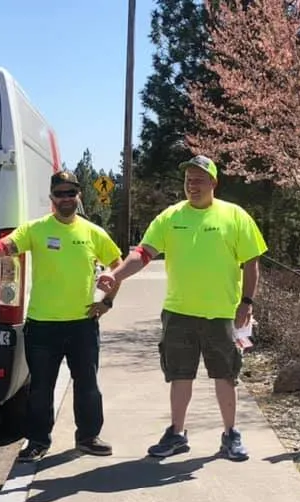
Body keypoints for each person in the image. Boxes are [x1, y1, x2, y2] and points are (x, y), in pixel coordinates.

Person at [96, 154, 267, 461]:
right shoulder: (170, 217)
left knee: (225, 375)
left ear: (213, 182)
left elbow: (251, 263)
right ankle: (177, 433)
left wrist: (247, 301)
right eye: (189, 180)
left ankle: (230, 435)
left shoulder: (235, 216)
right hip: (179, 313)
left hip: (221, 314)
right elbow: (143, 254)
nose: (193, 186)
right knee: (180, 375)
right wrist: (115, 274)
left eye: (199, 180)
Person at [0, 170, 123, 462]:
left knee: (88, 384)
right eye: (60, 194)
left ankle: (89, 437)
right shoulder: (36, 229)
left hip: (82, 325)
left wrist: (107, 302)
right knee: (41, 388)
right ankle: (38, 441)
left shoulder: (93, 233)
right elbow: (1, 247)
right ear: (51, 198)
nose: (66, 199)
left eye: (71, 193)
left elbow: (117, 266)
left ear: (78, 196)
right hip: (43, 327)